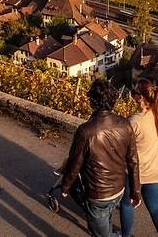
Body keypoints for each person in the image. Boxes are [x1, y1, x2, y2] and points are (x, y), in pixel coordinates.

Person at [61, 79, 140, 237]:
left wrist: (66, 185)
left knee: (100, 232)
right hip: (119, 188)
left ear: (92, 101)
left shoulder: (85, 131)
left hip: (98, 193)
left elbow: (74, 163)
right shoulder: (125, 124)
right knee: (107, 220)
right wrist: (135, 192)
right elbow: (133, 161)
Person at [119, 80, 158, 237]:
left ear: (140, 97)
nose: (133, 95)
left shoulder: (135, 121)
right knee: (156, 208)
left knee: (127, 203)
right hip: (156, 170)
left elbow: (123, 145)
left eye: (134, 92)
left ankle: (126, 235)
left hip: (136, 172)